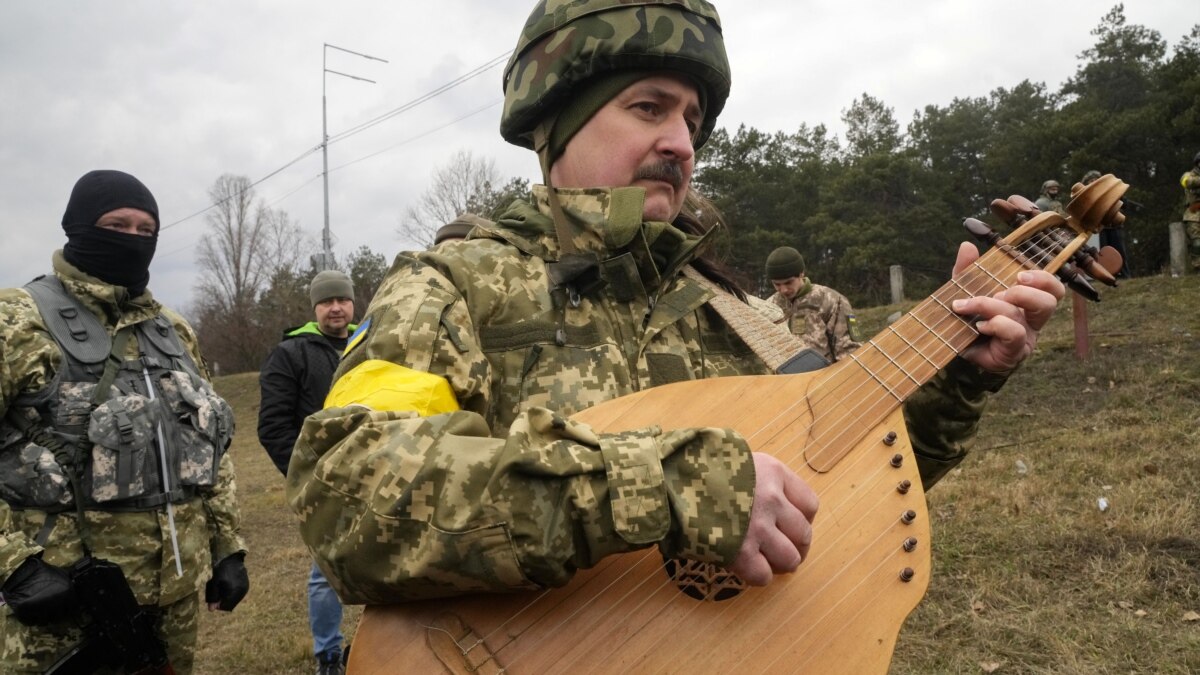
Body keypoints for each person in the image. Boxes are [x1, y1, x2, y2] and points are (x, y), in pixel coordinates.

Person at [286, 0, 1063, 606]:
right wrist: (666, 487)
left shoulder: (732, 314)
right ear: (558, 125)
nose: (683, 143)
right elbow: (346, 497)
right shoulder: (451, 284)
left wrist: (958, 379)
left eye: (692, 121)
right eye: (649, 108)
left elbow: (838, 490)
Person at [0, 170, 248, 673]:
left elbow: (209, 447)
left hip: (171, 598)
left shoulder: (173, 330)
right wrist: (13, 563)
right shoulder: (18, 319)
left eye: (146, 230)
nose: (132, 240)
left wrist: (228, 548)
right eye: (116, 224)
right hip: (65, 596)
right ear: (77, 227)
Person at [257, 270, 356, 674]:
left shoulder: (369, 342)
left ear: (353, 303)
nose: (336, 307)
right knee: (326, 571)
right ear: (315, 308)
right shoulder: (291, 353)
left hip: (381, 473)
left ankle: (381, 647)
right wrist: (305, 475)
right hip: (324, 482)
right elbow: (273, 426)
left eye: (342, 300)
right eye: (327, 301)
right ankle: (329, 656)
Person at [764, 246, 861, 362]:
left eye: (788, 282)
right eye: (777, 284)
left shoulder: (831, 300)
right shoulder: (767, 308)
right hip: (783, 378)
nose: (784, 289)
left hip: (825, 377)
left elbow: (850, 351)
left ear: (801, 274)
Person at [1181, 152, 1200, 270]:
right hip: (1194, 214)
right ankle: (1198, 266)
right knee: (1197, 243)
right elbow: (1186, 182)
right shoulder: (1188, 175)